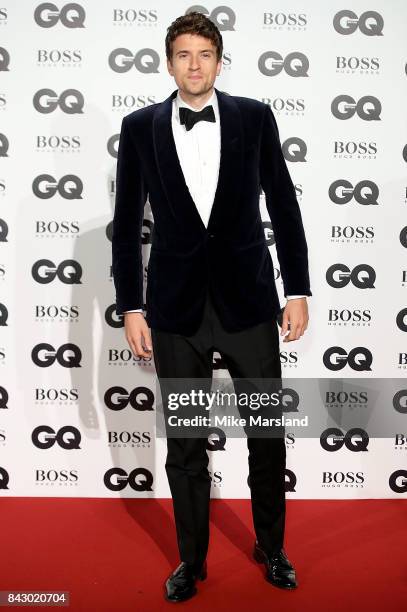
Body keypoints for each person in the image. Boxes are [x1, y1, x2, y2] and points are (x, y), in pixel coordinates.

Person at [112, 11, 311, 603]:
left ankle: (272, 548)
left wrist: (296, 290)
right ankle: (190, 561)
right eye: (183, 55)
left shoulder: (254, 117)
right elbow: (126, 229)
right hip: (175, 310)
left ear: (219, 61)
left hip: (249, 303)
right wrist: (131, 305)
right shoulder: (140, 126)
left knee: (266, 436)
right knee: (187, 444)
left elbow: (284, 205)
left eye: (204, 55)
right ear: (167, 61)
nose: (194, 66)